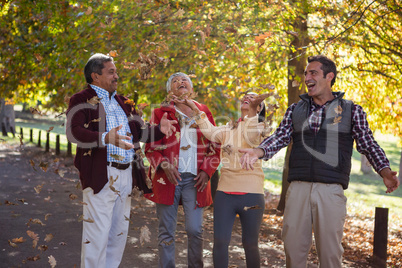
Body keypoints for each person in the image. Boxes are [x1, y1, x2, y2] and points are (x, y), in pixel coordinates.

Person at [239, 55, 400, 268]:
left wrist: (384, 171)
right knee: (293, 252)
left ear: (329, 76)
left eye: (313, 73)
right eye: (306, 73)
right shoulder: (295, 110)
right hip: (298, 189)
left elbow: (368, 143)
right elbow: (280, 137)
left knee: (330, 255)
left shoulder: (352, 110)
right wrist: (258, 151)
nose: (307, 77)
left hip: (331, 190)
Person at [66, 53, 176, 268]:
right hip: (101, 174)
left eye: (116, 71)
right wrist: (105, 138)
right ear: (95, 76)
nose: (117, 75)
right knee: (96, 236)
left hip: (126, 174)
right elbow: (74, 132)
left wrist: (160, 130)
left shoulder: (124, 101)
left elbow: (141, 133)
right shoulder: (80, 99)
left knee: (118, 235)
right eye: (111, 72)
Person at [175, 92, 270, 267]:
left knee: (250, 244)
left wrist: (254, 112)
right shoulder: (229, 128)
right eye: (245, 97)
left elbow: (252, 135)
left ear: (260, 106)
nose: (246, 98)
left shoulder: (260, 127)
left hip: (252, 194)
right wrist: (195, 109)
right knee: (219, 242)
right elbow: (210, 132)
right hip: (225, 195)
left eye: (253, 98)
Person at [144, 72, 220, 268]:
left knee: (195, 229)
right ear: (170, 91)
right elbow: (150, 147)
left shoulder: (203, 111)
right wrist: (163, 164)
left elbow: (216, 145)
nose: (180, 82)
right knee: (166, 230)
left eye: (184, 79)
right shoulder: (160, 113)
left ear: (191, 88)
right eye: (175, 81)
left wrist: (206, 171)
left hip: (195, 180)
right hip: (167, 179)